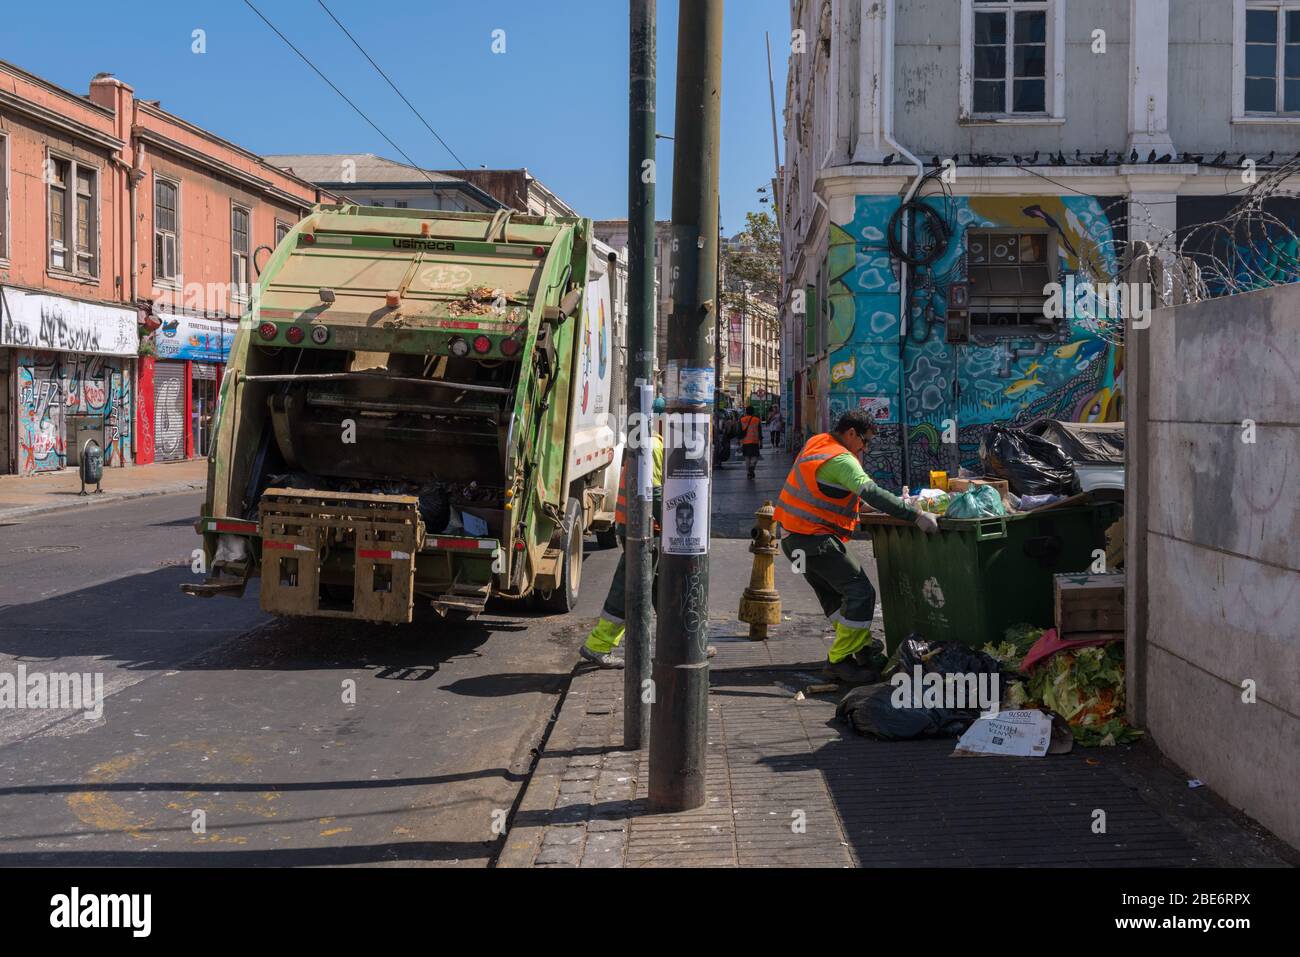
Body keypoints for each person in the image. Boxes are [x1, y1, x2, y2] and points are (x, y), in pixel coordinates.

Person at [773, 410, 940, 684]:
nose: (865, 447)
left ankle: (860, 648)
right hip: (813, 539)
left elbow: (832, 493)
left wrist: (886, 506)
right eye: (865, 440)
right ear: (851, 433)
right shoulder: (840, 459)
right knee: (860, 592)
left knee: (835, 598)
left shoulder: (818, 444)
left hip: (793, 541)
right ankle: (839, 660)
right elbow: (870, 490)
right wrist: (916, 516)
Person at [580, 399, 666, 669]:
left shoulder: (650, 441)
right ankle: (598, 644)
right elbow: (653, 492)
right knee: (629, 586)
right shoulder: (651, 445)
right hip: (644, 530)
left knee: (657, 585)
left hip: (638, 527)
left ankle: (680, 641)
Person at [739, 405, 764, 479]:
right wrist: (761, 442)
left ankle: (748, 473)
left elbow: (739, 432)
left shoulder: (742, 420)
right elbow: (760, 432)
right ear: (753, 412)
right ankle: (752, 465)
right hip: (755, 441)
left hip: (745, 442)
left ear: (746, 412)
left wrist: (739, 442)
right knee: (755, 456)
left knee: (747, 458)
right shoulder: (757, 420)